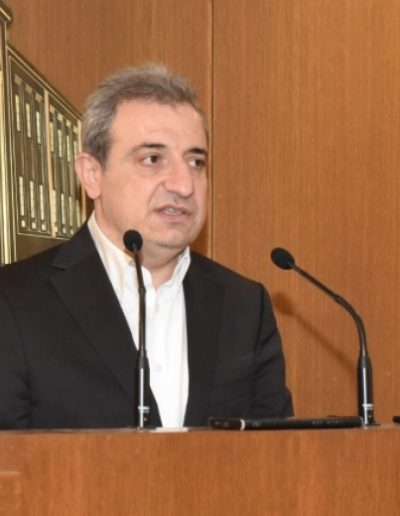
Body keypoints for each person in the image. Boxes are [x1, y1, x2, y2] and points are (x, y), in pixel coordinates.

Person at [0, 64, 293, 429]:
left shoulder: (245, 306)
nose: (184, 185)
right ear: (92, 175)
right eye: (153, 159)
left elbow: (277, 456)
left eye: (196, 162)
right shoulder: (13, 302)